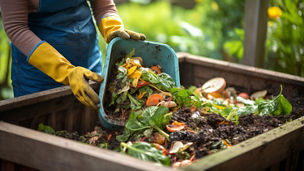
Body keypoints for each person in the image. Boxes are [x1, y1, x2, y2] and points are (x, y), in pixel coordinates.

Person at [0, 0, 145, 109]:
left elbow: (103, 6)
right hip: (38, 77)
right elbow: (16, 28)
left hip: (87, 61)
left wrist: (112, 29)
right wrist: (66, 71)